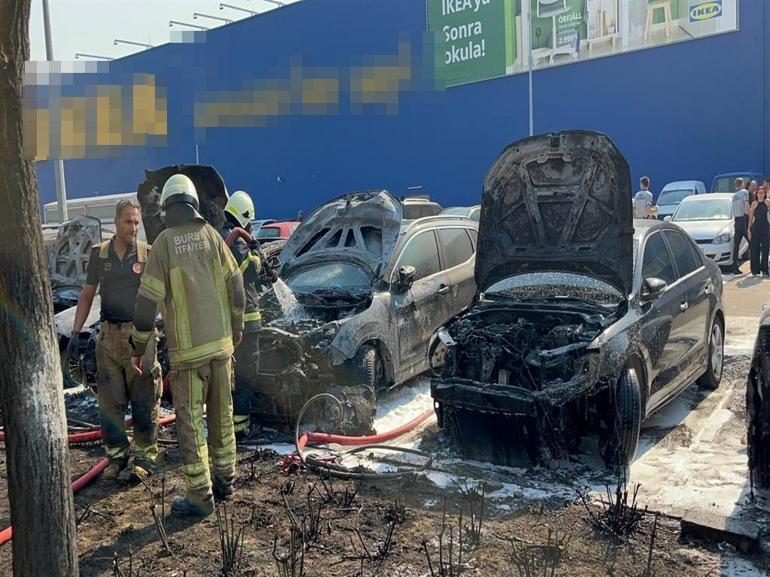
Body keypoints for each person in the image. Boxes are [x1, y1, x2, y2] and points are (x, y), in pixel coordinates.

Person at [130, 174, 246, 518]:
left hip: (189, 358)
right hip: (222, 351)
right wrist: (235, 329)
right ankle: (226, 481)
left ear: (167, 207)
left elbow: (146, 304)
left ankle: (200, 495)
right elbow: (237, 285)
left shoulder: (163, 244)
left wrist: (139, 347)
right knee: (223, 417)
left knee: (192, 423)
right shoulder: (212, 237)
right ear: (194, 204)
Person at [66, 199, 162, 480]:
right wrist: (75, 331)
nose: (133, 228)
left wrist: (170, 329)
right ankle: (117, 457)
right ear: (115, 222)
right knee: (110, 401)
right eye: (127, 222)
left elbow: (160, 296)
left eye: (136, 222)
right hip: (108, 338)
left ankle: (144, 458)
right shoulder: (101, 255)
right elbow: (87, 294)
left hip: (140, 337)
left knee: (145, 398)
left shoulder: (147, 254)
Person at [220, 190, 274, 438]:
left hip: (225, 323)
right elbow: (248, 270)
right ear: (244, 218)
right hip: (246, 323)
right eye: (249, 223)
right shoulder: (237, 241)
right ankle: (241, 428)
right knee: (245, 375)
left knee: (230, 376)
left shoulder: (220, 234)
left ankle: (229, 423)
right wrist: (256, 251)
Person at [731, 178, 751, 274]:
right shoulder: (744, 192)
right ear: (742, 184)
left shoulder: (734, 196)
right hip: (743, 219)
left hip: (736, 221)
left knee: (736, 246)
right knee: (752, 242)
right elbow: (746, 204)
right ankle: (755, 265)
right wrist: (751, 214)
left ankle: (735, 267)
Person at [749, 187, 770, 276]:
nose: (760, 195)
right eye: (759, 193)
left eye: (762, 193)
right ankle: (755, 270)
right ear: (756, 194)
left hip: (765, 227)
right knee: (755, 249)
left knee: (765, 249)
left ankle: (764, 269)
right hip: (756, 228)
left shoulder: (767, 202)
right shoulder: (754, 203)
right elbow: (750, 218)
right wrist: (748, 230)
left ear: (764, 194)